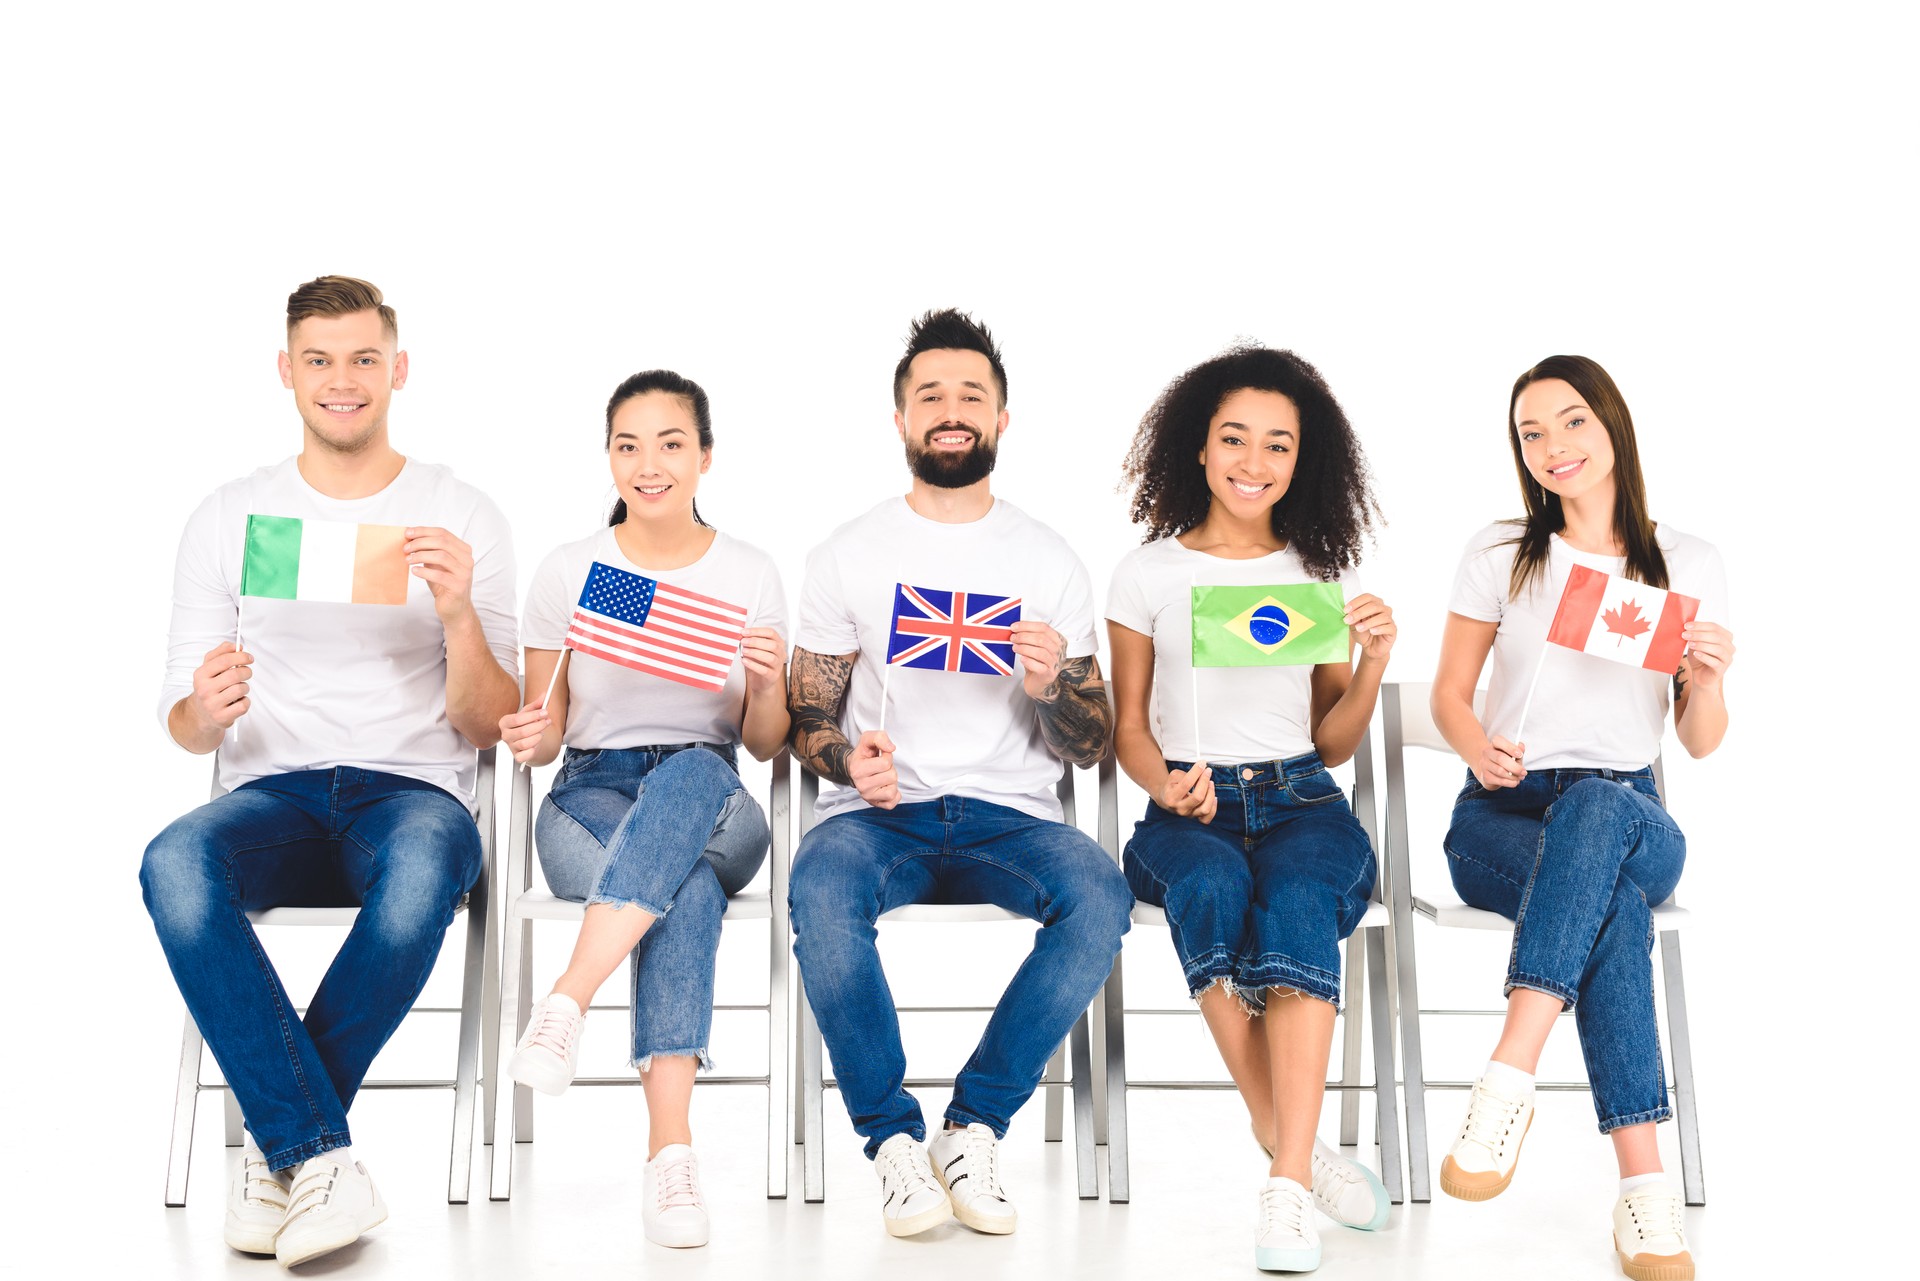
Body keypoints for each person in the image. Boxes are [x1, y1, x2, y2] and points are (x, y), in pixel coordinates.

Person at [140, 276, 520, 1266]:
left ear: (397, 370)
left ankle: (285, 1155)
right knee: (172, 864)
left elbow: (488, 723)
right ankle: (318, 1158)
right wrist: (202, 707)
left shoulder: (459, 510)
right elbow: (183, 727)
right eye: (319, 360)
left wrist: (459, 616)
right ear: (286, 372)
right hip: (271, 795)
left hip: (414, 797)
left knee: (427, 876)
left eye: (361, 359)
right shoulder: (228, 516)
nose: (340, 381)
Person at [786, 309, 1132, 1239]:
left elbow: (1092, 743)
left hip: (1010, 818)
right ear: (900, 419)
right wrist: (846, 759)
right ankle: (893, 1143)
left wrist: (1054, 681)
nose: (950, 410)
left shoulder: (1047, 556)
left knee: (1101, 895)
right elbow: (805, 716)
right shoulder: (848, 552)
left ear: (1002, 420)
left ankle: (974, 1125)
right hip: (879, 815)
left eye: (970, 395)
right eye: (929, 395)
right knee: (819, 885)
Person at [1432, 355, 1733, 1281]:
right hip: (1503, 812)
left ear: (1612, 426)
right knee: (1614, 915)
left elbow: (1702, 739)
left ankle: (1510, 1067)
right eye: (1532, 432)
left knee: (1602, 810)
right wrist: (1477, 744)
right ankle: (1646, 1193)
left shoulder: (1688, 562)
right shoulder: (1498, 551)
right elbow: (1450, 694)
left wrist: (1710, 677)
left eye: (1571, 423)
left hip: (1633, 809)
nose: (1553, 447)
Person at [1109, 345, 1396, 1273]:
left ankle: (1283, 1188)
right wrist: (1165, 783)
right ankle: (1297, 1144)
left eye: (1278, 445)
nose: (1253, 460)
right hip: (1190, 807)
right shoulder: (1147, 573)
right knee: (1211, 890)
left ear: (1300, 461)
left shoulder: (1313, 569)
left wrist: (1374, 667)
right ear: (1198, 448)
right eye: (1234, 438)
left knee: (1300, 903)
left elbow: (1337, 738)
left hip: (1303, 797)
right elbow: (1129, 729)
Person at [498, 370, 788, 1249]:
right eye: (629, 444)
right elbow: (548, 730)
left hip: (714, 794)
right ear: (610, 457)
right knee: (684, 892)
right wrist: (531, 728)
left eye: (670, 443)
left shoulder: (747, 572)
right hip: (589, 792)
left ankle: (567, 999)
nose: (649, 464)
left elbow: (767, 744)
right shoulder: (576, 570)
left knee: (695, 771)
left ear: (704, 456)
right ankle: (672, 1155)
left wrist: (770, 680)